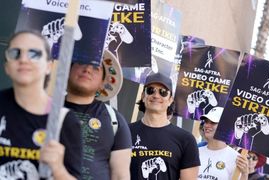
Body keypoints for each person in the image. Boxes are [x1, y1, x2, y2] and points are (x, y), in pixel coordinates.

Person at [0, 30, 81, 179]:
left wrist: (58, 169)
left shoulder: (64, 120)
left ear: (49, 66)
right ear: (7, 66)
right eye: (15, 53)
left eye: (34, 54)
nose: (23, 59)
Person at [65, 50, 132, 179]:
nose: (87, 69)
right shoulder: (45, 110)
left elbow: (120, 175)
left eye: (96, 67)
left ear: (103, 82)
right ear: (69, 68)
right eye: (82, 62)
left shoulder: (115, 121)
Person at [130, 72, 200, 180]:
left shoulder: (186, 139)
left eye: (163, 92)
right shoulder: (125, 132)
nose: (156, 95)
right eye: (150, 90)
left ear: (170, 100)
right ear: (143, 96)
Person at [198, 107, 249, 180]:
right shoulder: (195, 152)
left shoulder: (236, 158)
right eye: (206, 121)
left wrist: (244, 174)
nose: (207, 125)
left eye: (213, 122)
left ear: (224, 126)